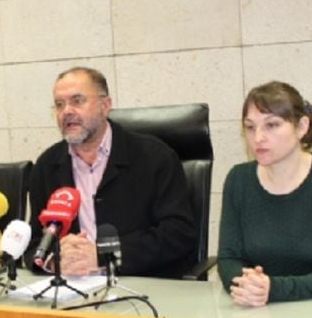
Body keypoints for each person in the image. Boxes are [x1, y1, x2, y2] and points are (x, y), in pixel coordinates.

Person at [28, 66, 196, 278]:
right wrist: (55, 261)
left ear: (105, 105)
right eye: (59, 105)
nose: (66, 111)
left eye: (77, 101)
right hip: (72, 289)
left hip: (142, 285)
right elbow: (32, 242)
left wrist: (104, 255)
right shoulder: (47, 166)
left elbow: (178, 234)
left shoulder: (155, 156)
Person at [217, 82, 312, 304]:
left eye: (272, 125)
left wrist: (275, 289)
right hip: (259, 308)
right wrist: (249, 286)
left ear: (301, 127)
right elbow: (228, 258)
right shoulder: (238, 179)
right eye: (250, 127)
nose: (258, 137)